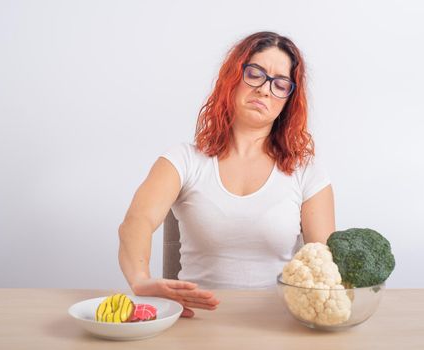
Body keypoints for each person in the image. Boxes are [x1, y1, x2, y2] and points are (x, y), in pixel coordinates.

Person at [118, 31, 335, 318]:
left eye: (280, 83)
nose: (265, 89)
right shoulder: (183, 160)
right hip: (195, 323)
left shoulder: (307, 173)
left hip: (277, 323)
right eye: (255, 73)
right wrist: (140, 280)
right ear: (233, 77)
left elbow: (327, 266)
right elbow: (137, 221)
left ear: (288, 100)